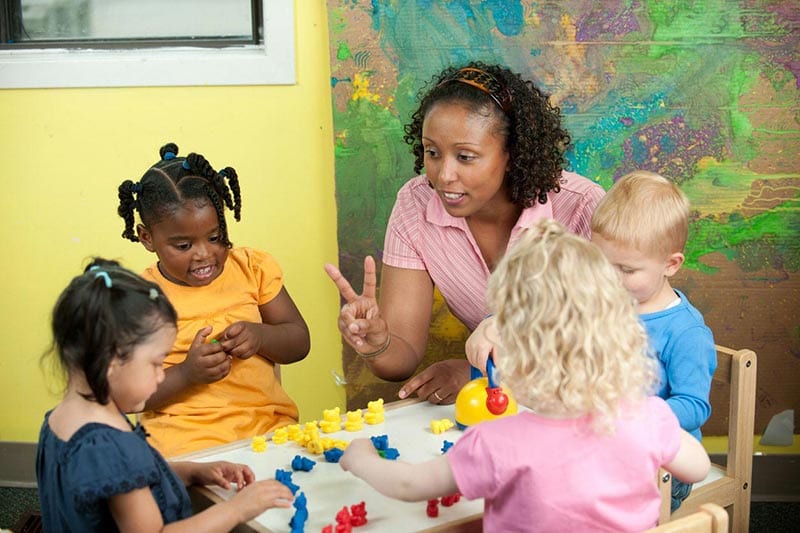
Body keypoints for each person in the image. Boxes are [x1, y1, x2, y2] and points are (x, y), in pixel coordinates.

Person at [339, 219, 710, 531]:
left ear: (514, 356)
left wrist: (362, 459)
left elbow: (408, 484)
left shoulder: (496, 443)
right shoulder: (646, 416)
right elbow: (699, 467)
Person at [325, 61, 604, 404]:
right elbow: (400, 359)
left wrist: (484, 375)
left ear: (512, 154)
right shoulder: (415, 206)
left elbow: (610, 347)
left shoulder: (582, 209)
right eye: (432, 153)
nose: (443, 175)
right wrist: (377, 341)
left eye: (466, 157)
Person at [37, 259, 294, 532]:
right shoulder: (112, 445)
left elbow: (121, 483)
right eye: (157, 363)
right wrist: (236, 509)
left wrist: (191, 471)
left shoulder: (60, 421)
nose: (162, 376)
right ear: (112, 362)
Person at [117, 143, 310, 457]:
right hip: (183, 443)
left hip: (266, 430)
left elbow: (299, 342)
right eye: (183, 245)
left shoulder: (252, 269)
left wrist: (261, 336)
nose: (204, 254)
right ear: (146, 238)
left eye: (215, 237)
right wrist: (186, 374)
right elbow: (127, 396)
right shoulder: (140, 298)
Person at [590, 170, 717, 511]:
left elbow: (694, 407)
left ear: (670, 264)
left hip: (661, 468)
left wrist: (633, 415)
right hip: (601, 444)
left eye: (626, 270)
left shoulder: (686, 333)